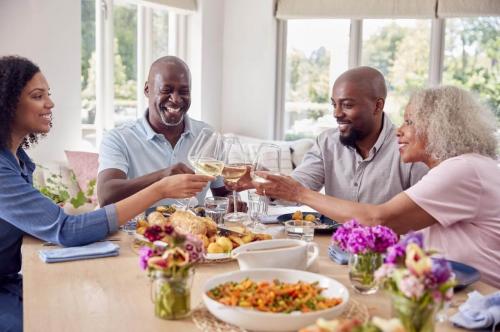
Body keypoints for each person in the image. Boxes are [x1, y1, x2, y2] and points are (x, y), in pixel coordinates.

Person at [0, 56, 213, 331]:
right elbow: (67, 230)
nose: (50, 104)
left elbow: (45, 222)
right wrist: (160, 188)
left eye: (47, 95)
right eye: (37, 96)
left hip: (11, 280)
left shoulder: (18, 160)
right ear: (7, 103)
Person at [254, 86, 500, 287]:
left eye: (409, 122)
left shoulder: (461, 170)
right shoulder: (464, 167)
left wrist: (299, 193)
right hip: (447, 287)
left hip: (479, 296)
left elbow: (378, 220)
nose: (399, 131)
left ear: (438, 127)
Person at [227, 66, 428, 204]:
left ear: (378, 105)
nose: (336, 113)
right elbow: (298, 188)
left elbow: (419, 215)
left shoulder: (409, 149)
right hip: (333, 248)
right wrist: (261, 178)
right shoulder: (327, 142)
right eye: (334, 104)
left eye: (347, 105)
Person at [97, 56, 236, 208]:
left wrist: (232, 202)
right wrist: (162, 177)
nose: (176, 99)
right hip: (138, 230)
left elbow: (223, 194)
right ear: (147, 90)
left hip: (194, 229)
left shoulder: (208, 136)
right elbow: (106, 195)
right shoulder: (119, 138)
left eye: (183, 91)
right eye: (166, 90)